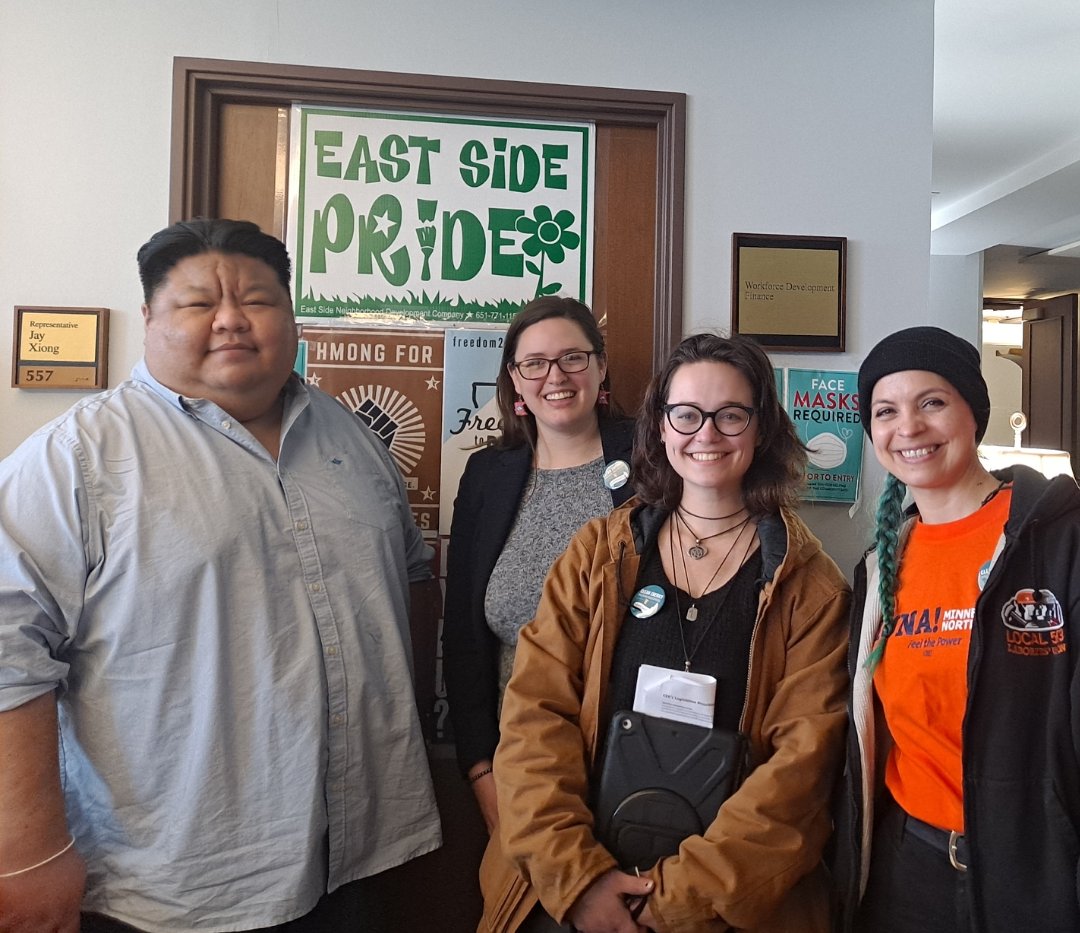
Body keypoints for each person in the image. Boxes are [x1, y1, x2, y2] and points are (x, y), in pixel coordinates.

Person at [0, 219, 441, 932]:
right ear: (148, 317)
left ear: (292, 316)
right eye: (199, 302)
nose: (232, 319)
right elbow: (6, 652)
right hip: (177, 880)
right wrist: (27, 850)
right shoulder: (75, 458)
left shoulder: (354, 440)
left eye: (259, 300)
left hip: (359, 853)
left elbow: (413, 583)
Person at [478, 333, 851, 932]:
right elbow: (533, 722)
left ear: (762, 429)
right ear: (659, 427)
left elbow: (800, 774)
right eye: (686, 414)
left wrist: (674, 904)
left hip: (727, 907)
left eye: (730, 415)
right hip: (575, 895)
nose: (706, 433)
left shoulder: (811, 588)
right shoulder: (595, 556)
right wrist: (580, 880)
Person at [833, 326, 1080, 932]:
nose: (908, 428)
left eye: (932, 402)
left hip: (1034, 870)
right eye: (885, 411)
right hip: (907, 871)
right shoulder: (876, 571)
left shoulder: (1057, 539)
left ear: (975, 413)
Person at [443, 296, 635, 834]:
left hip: (635, 760)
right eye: (535, 363)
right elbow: (463, 637)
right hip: (520, 770)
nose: (556, 376)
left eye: (573, 358)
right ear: (515, 379)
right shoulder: (487, 476)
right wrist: (481, 769)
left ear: (600, 367)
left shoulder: (654, 458)